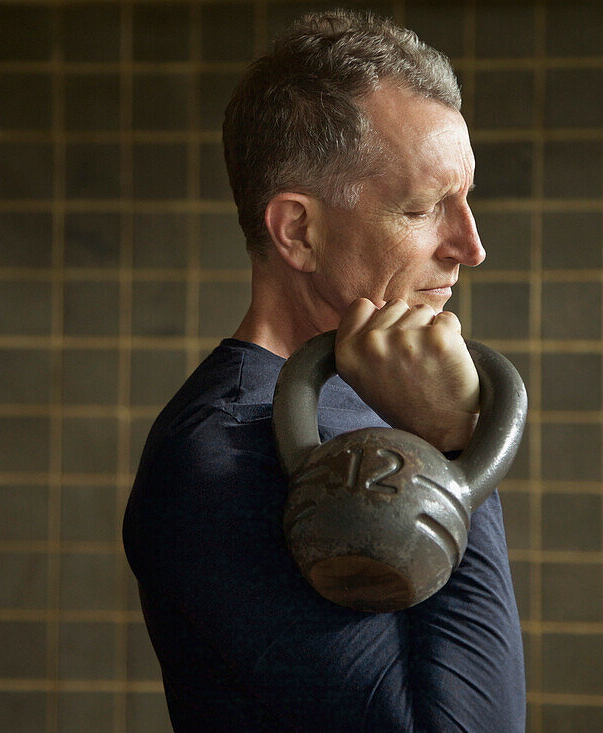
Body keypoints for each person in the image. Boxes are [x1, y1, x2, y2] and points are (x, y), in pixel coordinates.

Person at [123, 9, 525, 731]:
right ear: (298, 231)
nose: (471, 244)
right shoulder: (219, 459)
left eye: (467, 199)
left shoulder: (381, 394)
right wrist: (457, 447)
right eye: (426, 206)